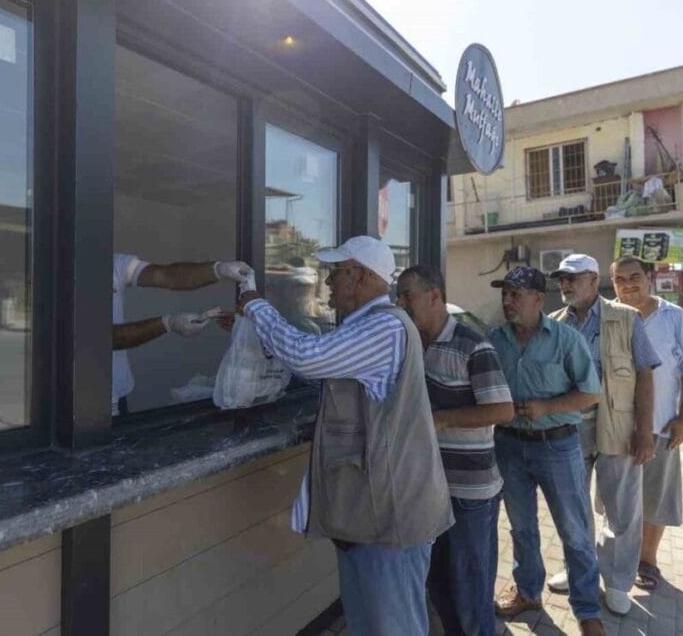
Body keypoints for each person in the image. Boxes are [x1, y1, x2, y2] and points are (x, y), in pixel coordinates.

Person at [239, 235, 452, 636]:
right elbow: (323, 362)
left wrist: (255, 305)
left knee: (394, 629)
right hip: (370, 517)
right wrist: (262, 332)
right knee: (369, 625)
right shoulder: (370, 326)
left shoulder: (384, 328)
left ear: (362, 276)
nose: (328, 281)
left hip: (390, 521)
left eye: (336, 272)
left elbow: (307, 357)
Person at [396, 265, 514, 636]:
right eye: (398, 297)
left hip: (469, 492)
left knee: (471, 586)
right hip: (428, 487)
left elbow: (502, 410)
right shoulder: (410, 343)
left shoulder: (473, 345)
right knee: (438, 580)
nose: (401, 304)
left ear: (434, 296)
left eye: (407, 295)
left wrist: (443, 419)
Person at [486, 266, 605, 636]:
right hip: (508, 444)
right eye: (505, 294)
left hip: (557, 445)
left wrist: (547, 407)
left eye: (516, 294)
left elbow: (591, 392)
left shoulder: (566, 339)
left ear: (539, 298)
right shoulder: (494, 340)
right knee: (521, 527)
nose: (508, 301)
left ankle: (587, 609)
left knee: (574, 530)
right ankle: (527, 591)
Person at [542, 254, 660, 616]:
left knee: (621, 509)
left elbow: (645, 375)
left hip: (617, 426)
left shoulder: (626, 318)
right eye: (562, 279)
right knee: (572, 508)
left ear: (594, 281)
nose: (565, 285)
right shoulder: (554, 323)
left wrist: (644, 431)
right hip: (568, 429)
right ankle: (579, 570)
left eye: (573, 278)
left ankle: (618, 582)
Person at [610, 257, 683, 592]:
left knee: (655, 497)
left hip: (661, 425)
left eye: (634, 277)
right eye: (620, 279)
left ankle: (647, 559)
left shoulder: (674, 317)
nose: (628, 284)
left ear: (649, 277)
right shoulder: (607, 315)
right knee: (617, 499)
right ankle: (617, 557)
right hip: (614, 427)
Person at [111, 254, 252, 415]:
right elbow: (105, 338)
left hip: (118, 390)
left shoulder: (114, 264)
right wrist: (168, 323)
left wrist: (218, 269)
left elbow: (167, 275)